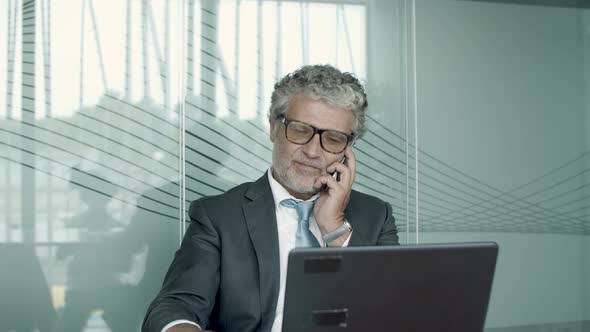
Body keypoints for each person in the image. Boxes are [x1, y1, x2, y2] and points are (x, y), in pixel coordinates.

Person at [142, 64, 399, 332]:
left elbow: (397, 310)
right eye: (300, 130)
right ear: (274, 128)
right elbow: (174, 306)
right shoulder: (218, 216)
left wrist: (335, 229)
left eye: (333, 139)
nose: (312, 151)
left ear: (347, 150)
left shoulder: (376, 217)